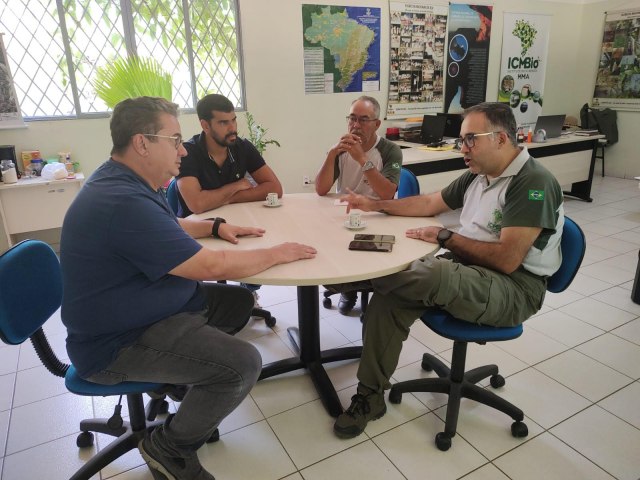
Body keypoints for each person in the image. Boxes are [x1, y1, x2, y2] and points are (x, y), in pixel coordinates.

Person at [60, 96, 317, 480]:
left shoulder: (125, 179)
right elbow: (211, 266)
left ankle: (184, 381)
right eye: (175, 140)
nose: (183, 150)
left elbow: (170, 226)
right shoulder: (121, 200)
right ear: (142, 143)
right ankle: (170, 446)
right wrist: (279, 252)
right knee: (244, 363)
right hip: (116, 343)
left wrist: (214, 226)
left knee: (236, 303)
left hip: (145, 307)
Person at [331, 102, 564, 439]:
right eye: (461, 140)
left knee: (422, 273)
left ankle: (355, 278)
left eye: (471, 139)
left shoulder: (532, 182)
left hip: (515, 288)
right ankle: (369, 397)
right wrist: (375, 205)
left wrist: (446, 237)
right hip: (470, 271)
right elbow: (429, 203)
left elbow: (506, 261)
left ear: (501, 139)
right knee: (388, 299)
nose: (462, 148)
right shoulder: (478, 174)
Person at [177, 93, 284, 309]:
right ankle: (220, 304)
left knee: (258, 239)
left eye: (233, 120)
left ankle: (247, 295)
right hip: (199, 229)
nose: (232, 127)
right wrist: (234, 187)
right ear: (205, 125)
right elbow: (196, 204)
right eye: (224, 122)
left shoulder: (242, 147)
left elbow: (275, 188)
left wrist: (221, 199)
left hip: (237, 222)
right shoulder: (189, 153)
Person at [315, 95, 403, 315]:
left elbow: (387, 193)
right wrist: (332, 154)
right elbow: (321, 189)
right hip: (345, 214)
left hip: (376, 217)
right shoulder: (342, 148)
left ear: (376, 124)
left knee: (362, 260)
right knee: (325, 254)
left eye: (363, 120)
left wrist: (362, 159)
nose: (355, 125)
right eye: (352, 118)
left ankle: (360, 286)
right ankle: (347, 288)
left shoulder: (390, 150)